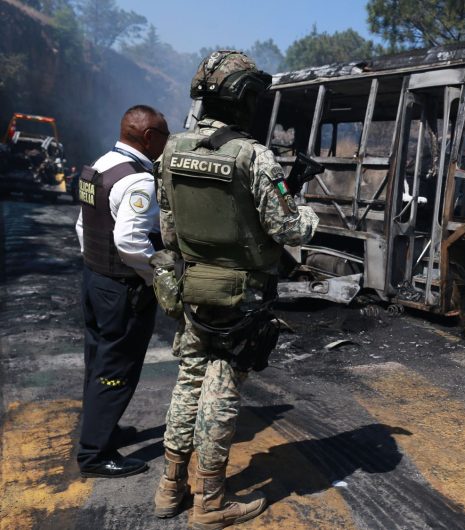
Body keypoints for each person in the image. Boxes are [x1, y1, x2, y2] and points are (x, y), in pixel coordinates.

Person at [152, 50, 318, 528]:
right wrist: (303, 207)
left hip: (191, 287)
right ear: (243, 99)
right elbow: (291, 229)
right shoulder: (253, 155)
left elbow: (167, 228)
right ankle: (209, 501)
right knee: (221, 389)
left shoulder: (172, 149)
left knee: (187, 381)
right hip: (239, 297)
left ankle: (170, 487)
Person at [75, 105, 170, 477]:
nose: (166, 141)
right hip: (121, 289)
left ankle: (101, 429)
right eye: (163, 134)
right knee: (117, 369)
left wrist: (96, 266)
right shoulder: (139, 181)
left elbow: (84, 226)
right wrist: (155, 276)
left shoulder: (99, 165)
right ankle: (95, 454)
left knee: (98, 360)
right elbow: (131, 241)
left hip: (95, 279)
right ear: (149, 138)